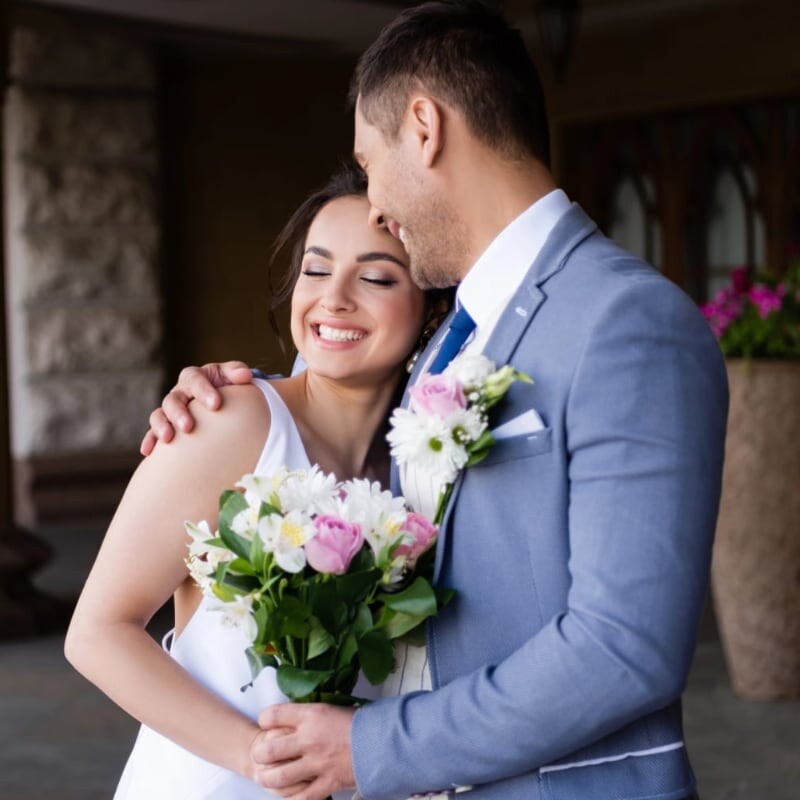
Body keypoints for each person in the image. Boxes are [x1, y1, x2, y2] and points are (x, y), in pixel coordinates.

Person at [143, 2, 729, 799]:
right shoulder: (448, 343)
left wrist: (377, 747)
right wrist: (217, 394)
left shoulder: (624, 321)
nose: (375, 203)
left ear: (423, 127)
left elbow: (625, 645)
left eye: (369, 159)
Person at [65, 162, 447, 799]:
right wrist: (257, 756)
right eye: (316, 270)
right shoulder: (232, 420)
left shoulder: (418, 474)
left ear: (431, 308)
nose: (334, 298)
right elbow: (98, 634)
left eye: (376, 276)